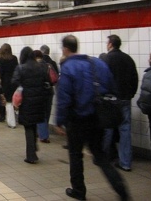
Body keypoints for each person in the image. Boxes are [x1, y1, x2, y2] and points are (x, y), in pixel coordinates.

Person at [55, 35, 129, 201]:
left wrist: (59, 121)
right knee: (101, 156)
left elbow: (64, 98)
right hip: (98, 118)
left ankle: (79, 191)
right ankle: (122, 190)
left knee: (75, 156)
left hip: (77, 120)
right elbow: (112, 88)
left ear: (65, 49)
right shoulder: (98, 64)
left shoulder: (68, 67)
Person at [103, 34, 139, 172]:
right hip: (125, 99)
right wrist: (130, 94)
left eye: (108, 43)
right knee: (125, 130)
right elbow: (135, 79)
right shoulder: (128, 59)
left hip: (110, 100)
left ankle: (104, 157)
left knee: (107, 129)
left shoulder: (107, 59)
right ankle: (125, 162)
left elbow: (102, 79)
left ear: (111, 44)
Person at [11, 47, 50, 164]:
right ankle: (34, 146)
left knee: (28, 127)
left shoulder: (21, 68)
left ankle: (31, 156)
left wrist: (21, 87)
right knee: (34, 125)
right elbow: (47, 81)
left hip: (26, 101)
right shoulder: (41, 67)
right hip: (39, 101)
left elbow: (14, 81)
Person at [34, 49, 57, 143]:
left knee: (40, 113)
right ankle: (43, 132)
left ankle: (43, 136)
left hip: (39, 93)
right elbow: (55, 79)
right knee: (47, 113)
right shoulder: (49, 65)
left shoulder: (35, 67)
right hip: (49, 92)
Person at [0, 43, 18, 124]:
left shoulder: (0, 60)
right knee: (10, 100)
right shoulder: (14, 58)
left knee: (2, 99)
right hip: (13, 82)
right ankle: (12, 116)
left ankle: (2, 116)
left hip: (4, 82)